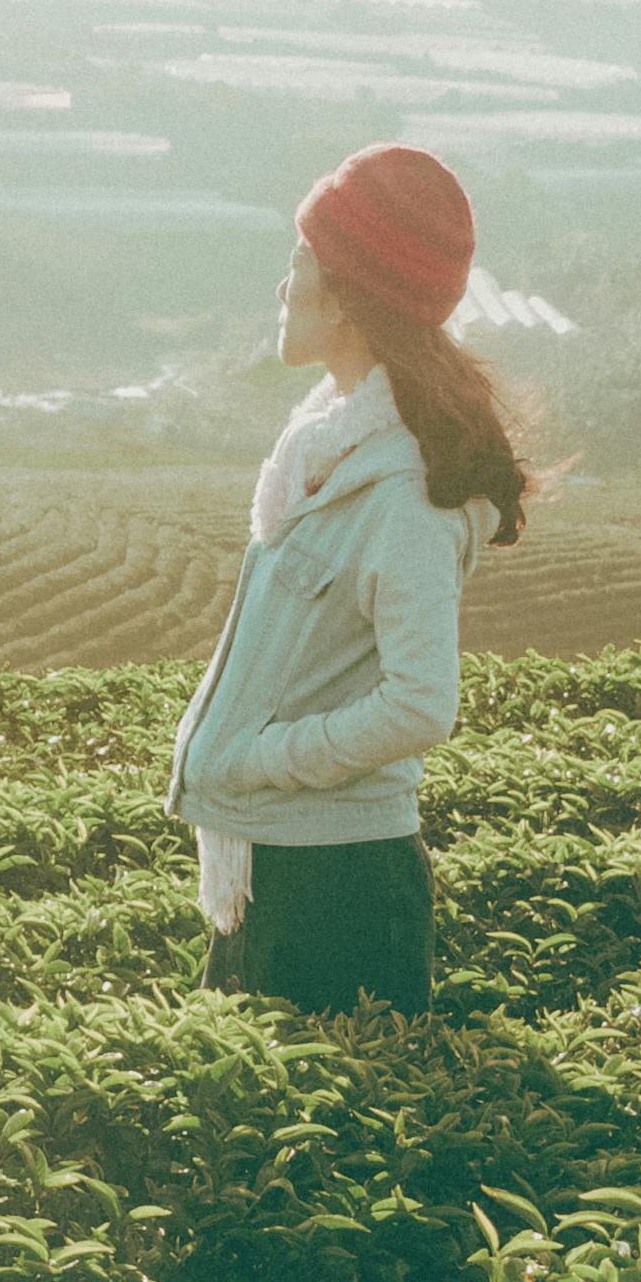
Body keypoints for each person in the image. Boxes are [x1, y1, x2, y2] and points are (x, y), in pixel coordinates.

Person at [162, 142, 532, 1014]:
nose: (282, 287)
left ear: (348, 297)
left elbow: (421, 703)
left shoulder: (401, 493)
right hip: (274, 867)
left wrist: (261, 759)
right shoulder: (329, 447)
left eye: (298, 263)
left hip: (336, 892)